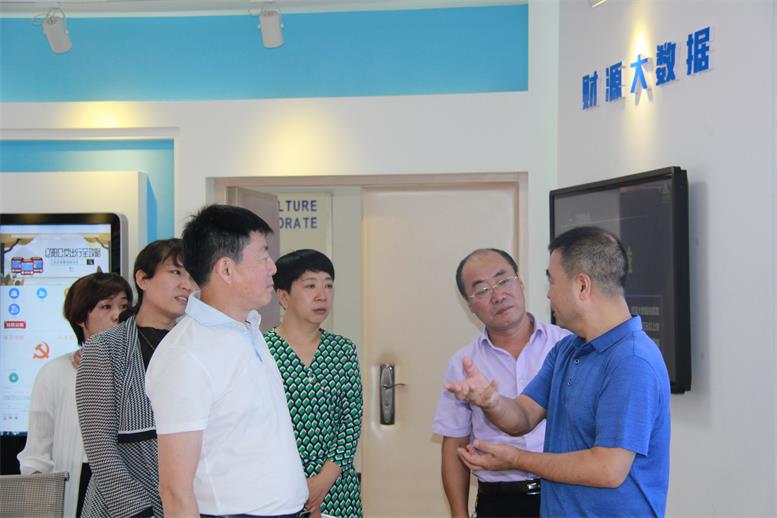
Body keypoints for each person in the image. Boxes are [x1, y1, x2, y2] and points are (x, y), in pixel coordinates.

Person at [447, 227, 671, 517]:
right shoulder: (567, 349)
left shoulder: (632, 360)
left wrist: (516, 458)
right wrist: (491, 401)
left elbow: (607, 469)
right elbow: (523, 416)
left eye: (552, 281)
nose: (548, 294)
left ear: (582, 286)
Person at [146, 204, 308, 518]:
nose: (273, 268)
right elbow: (175, 490)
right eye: (262, 257)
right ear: (226, 270)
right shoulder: (186, 355)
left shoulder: (248, 329)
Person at [432, 249, 569, 518]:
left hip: (563, 494)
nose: (497, 296)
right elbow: (454, 444)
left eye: (503, 281)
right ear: (469, 305)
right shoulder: (463, 363)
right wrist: (459, 514)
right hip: (499, 501)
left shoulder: (565, 345)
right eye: (482, 290)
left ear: (520, 282)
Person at [76, 239, 196, 518]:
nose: (186, 285)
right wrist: (137, 511)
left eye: (192, 276)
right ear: (142, 279)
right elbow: (99, 445)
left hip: (186, 501)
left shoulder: (196, 344)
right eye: (176, 272)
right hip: (122, 505)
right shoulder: (104, 347)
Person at [18, 272, 131, 518]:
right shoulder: (54, 372)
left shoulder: (140, 368)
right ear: (81, 317)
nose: (117, 315)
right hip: (76, 482)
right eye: (106, 306)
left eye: (124, 306)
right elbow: (36, 455)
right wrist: (39, 507)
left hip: (128, 484)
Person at [264, 249, 363, 518]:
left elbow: (350, 420)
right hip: (278, 485)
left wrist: (323, 480)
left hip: (337, 486)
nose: (322, 295)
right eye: (310, 286)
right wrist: (300, 485)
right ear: (284, 296)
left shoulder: (343, 350)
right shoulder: (261, 350)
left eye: (328, 285)